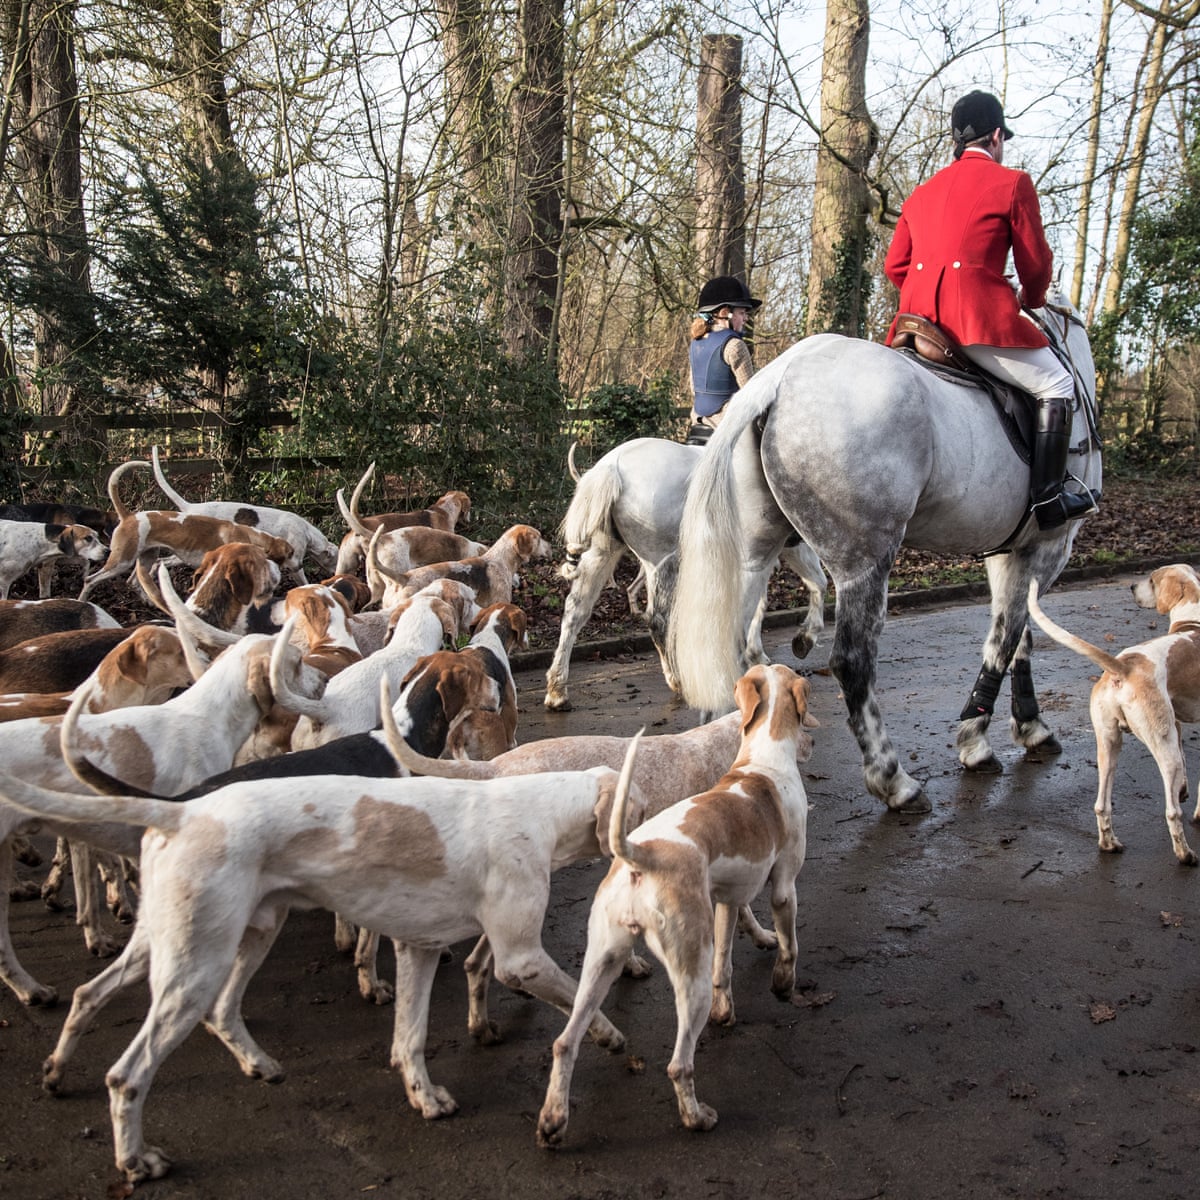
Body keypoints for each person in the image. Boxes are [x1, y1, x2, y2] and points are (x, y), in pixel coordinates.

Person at [883, 89, 1097, 530]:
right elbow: (1035, 266)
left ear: (957, 140)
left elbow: (895, 265)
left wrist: (926, 295)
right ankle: (1048, 498)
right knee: (1057, 382)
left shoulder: (921, 193)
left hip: (914, 323)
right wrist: (1029, 301)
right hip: (973, 321)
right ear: (996, 136)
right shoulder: (1012, 183)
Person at [687, 275, 761, 438]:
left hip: (698, 422)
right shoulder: (735, 345)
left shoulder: (696, 343)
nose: (746, 318)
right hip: (727, 426)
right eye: (742, 313)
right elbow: (750, 393)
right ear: (725, 313)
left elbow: (694, 389)